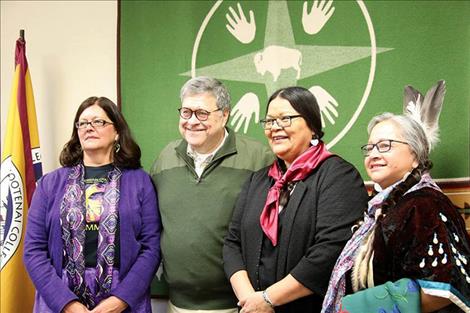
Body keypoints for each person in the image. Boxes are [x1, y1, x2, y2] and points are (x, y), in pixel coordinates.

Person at [322, 81, 470, 313]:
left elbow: (443, 290)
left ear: (415, 155)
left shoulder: (425, 205)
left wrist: (358, 307)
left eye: (385, 146)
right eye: (369, 148)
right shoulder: (384, 208)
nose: (373, 154)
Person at [223, 86, 368, 313]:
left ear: (312, 126)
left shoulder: (338, 176)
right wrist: (250, 301)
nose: (275, 127)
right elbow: (232, 243)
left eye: (286, 118)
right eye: (269, 121)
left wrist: (269, 300)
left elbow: (331, 250)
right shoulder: (258, 181)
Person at [24, 96, 161, 313]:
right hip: (60, 296)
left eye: (98, 122)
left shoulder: (140, 181)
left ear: (116, 132)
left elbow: (151, 248)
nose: (89, 128)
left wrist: (120, 301)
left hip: (123, 296)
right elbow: (33, 250)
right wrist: (67, 304)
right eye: (83, 123)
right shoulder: (50, 184)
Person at [150, 77, 274, 313]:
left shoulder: (259, 159)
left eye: (202, 113)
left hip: (239, 304)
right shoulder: (165, 158)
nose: (192, 121)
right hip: (177, 304)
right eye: (186, 112)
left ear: (225, 115)